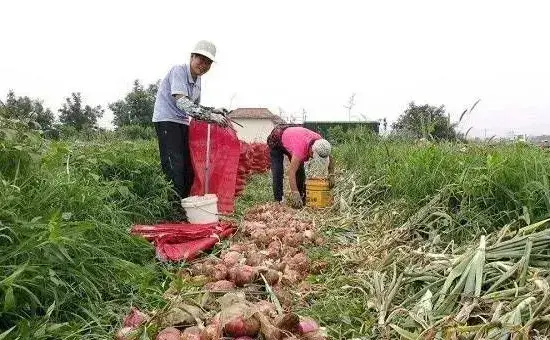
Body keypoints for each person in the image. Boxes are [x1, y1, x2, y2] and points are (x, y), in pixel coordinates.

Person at [152, 40, 232, 204]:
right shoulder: (179, 71)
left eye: (208, 63)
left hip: (182, 122)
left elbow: (194, 106)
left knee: (188, 167)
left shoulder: (198, 81)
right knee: (175, 165)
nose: (203, 65)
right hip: (167, 120)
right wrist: (210, 116)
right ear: (192, 57)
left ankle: (185, 205)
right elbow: (182, 102)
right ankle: (173, 207)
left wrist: (211, 110)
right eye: (200, 60)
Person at [267, 125, 334, 209]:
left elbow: (330, 157)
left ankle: (301, 196)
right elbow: (291, 173)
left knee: (300, 170)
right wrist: (295, 193)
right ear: (312, 152)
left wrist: (331, 175)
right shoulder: (300, 150)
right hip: (277, 138)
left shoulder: (321, 144)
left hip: (293, 138)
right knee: (278, 171)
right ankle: (278, 199)